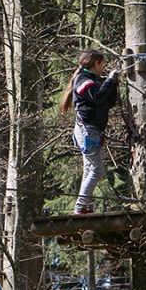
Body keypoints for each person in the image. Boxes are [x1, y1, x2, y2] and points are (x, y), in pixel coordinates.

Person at [58, 48, 119, 214]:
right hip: (87, 130)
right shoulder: (83, 79)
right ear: (96, 63)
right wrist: (109, 81)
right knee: (96, 171)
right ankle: (80, 207)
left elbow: (108, 102)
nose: (103, 68)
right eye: (102, 64)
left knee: (89, 170)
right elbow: (97, 96)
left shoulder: (93, 80)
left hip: (92, 130)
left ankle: (86, 207)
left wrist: (113, 83)